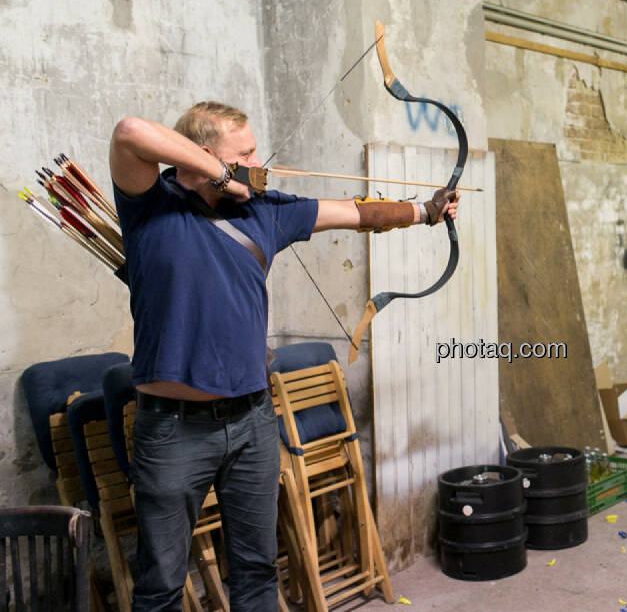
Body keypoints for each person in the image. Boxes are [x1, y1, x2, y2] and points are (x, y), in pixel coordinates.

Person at [109, 101, 458, 610]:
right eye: (245, 152)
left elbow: (353, 212)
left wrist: (424, 212)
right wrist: (224, 174)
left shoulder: (263, 212)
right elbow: (130, 132)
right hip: (173, 429)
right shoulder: (150, 205)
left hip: (251, 420)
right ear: (207, 156)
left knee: (255, 568)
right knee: (161, 583)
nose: (258, 159)